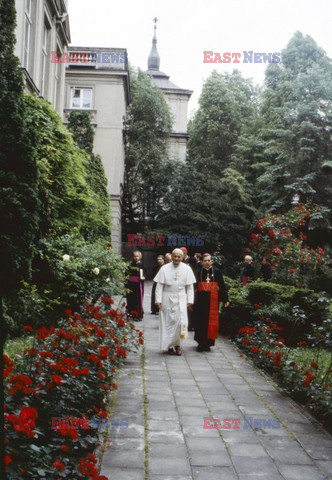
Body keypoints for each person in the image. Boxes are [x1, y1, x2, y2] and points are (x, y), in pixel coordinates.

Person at [154, 248, 196, 356]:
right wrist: (158, 300)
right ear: (171, 256)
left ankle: (178, 345)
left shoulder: (187, 269)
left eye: (179, 256)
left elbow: (190, 287)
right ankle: (169, 346)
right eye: (175, 256)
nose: (176, 258)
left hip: (181, 298)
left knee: (179, 323)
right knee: (168, 323)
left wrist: (190, 300)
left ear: (182, 257)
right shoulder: (164, 268)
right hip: (167, 298)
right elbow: (159, 286)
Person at [194, 253, 229, 352]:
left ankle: (208, 344)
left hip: (213, 301)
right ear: (202, 262)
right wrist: (191, 302)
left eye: (209, 260)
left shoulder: (217, 271)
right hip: (200, 301)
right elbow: (193, 287)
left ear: (212, 261)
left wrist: (226, 299)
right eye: (205, 261)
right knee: (200, 322)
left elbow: (222, 286)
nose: (207, 262)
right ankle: (200, 343)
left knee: (211, 322)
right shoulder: (197, 271)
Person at [126, 250, 145, 321]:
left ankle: (137, 315)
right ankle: (130, 314)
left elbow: (143, 274)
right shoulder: (129, 265)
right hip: (130, 285)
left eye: (137, 256)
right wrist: (126, 287)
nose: (136, 258)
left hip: (138, 285)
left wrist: (143, 277)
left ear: (140, 257)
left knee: (138, 300)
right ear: (132, 257)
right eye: (134, 256)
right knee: (130, 299)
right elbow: (126, 276)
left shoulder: (141, 265)